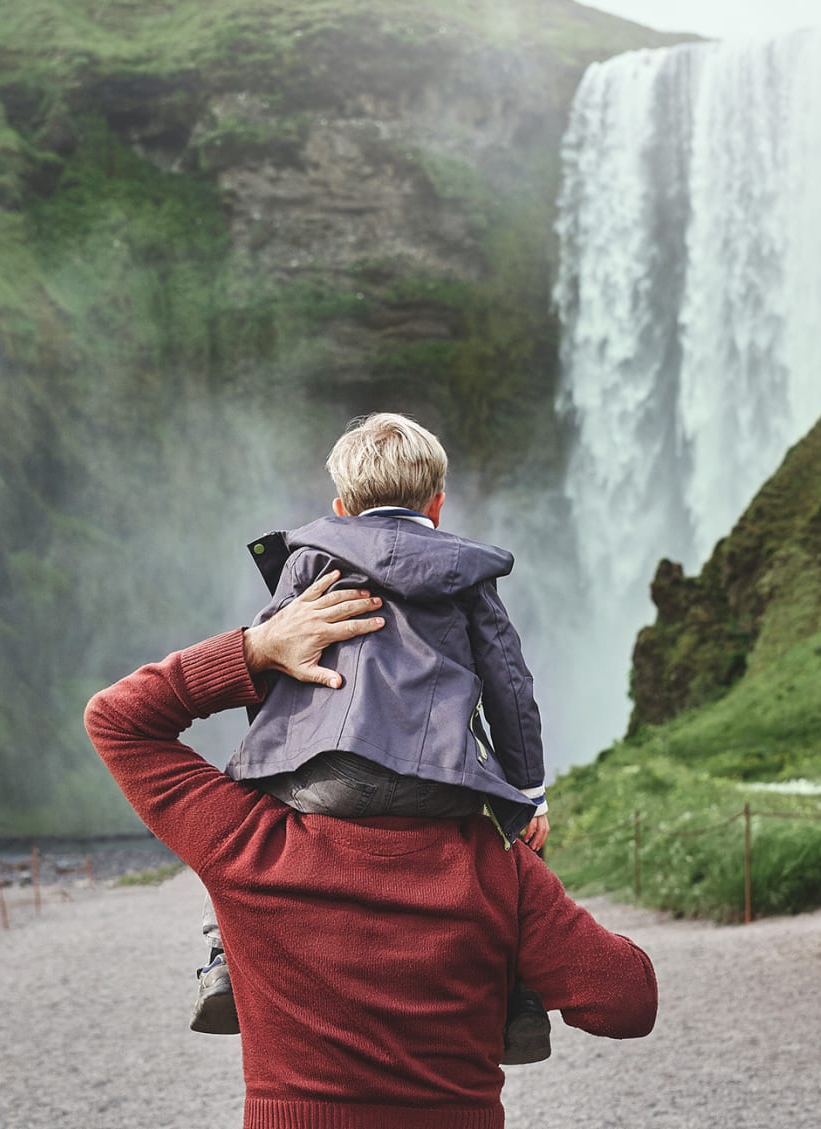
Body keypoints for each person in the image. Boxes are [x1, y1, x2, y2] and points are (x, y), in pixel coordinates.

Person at [84, 574, 656, 1126]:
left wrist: (257, 648)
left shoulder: (247, 844)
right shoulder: (498, 868)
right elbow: (629, 1001)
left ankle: (219, 967)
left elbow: (116, 720)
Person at [195, 412, 556, 1061]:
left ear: (340, 507)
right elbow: (509, 681)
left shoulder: (309, 559)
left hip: (324, 778)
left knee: (235, 831)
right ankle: (519, 995)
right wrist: (529, 791)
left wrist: (276, 758)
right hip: (441, 780)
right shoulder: (467, 572)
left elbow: (275, 658)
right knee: (519, 853)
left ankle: (225, 960)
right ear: (438, 504)